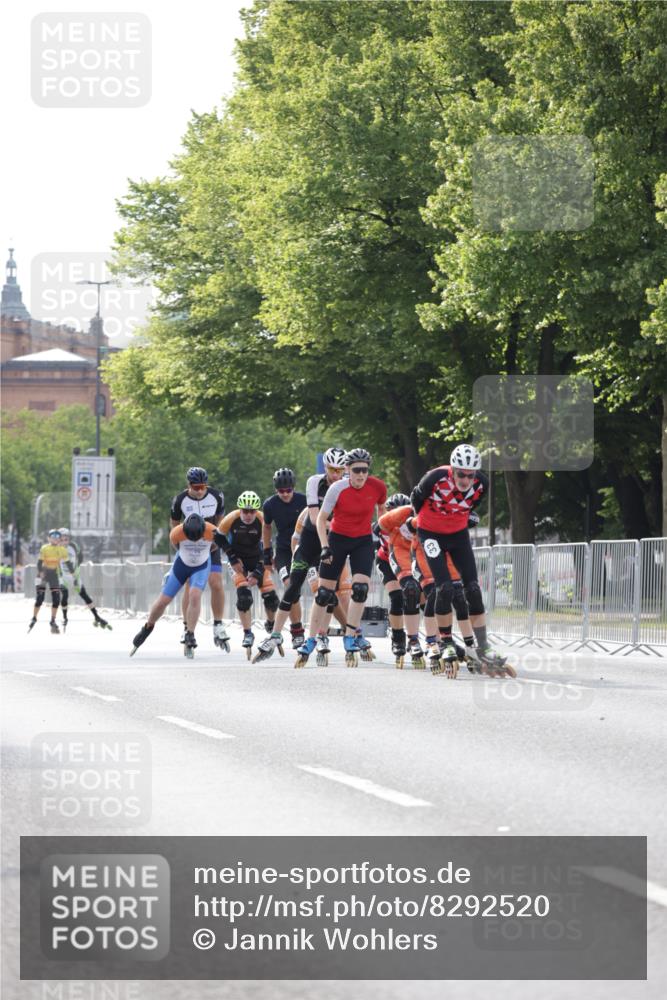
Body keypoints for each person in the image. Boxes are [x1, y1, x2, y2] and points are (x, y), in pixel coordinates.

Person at [410, 443, 510, 674]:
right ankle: (445, 641)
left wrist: (454, 516)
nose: (465, 480)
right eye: (461, 474)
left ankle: (483, 646)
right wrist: (427, 520)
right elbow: (416, 499)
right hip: (430, 533)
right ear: (452, 469)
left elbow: (470, 505)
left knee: (473, 588)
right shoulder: (435, 477)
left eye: (470, 475)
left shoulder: (482, 484)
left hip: (457, 534)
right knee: (444, 587)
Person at [253, 446, 348, 660]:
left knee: (325, 593)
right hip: (305, 543)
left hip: (332, 543)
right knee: (292, 586)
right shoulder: (314, 483)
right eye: (332, 469)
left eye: (340, 470)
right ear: (325, 467)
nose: (336, 474)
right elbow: (313, 520)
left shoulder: (349, 485)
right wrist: (267, 553)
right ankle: (278, 634)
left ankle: (339, 632)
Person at [298, 448, 387, 667]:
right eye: (356, 470)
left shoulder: (378, 487)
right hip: (337, 539)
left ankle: (351, 635)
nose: (360, 475)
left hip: (362, 541)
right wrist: (325, 546)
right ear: (348, 470)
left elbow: (381, 510)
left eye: (364, 470)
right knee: (324, 593)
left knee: (360, 589)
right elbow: (320, 519)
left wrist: (380, 531)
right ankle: (311, 639)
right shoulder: (337, 488)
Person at [131, 513, 215, 656]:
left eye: (197, 538)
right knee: (164, 600)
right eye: (190, 538)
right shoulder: (176, 533)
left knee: (194, 595)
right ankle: (148, 626)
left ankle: (190, 633)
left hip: (201, 566)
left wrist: (203, 554)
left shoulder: (213, 531)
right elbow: (177, 547)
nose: (194, 541)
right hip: (182, 564)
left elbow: (215, 546)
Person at [170, 467, 229, 651]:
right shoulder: (179, 500)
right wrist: (180, 548)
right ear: (189, 485)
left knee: (216, 582)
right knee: (191, 586)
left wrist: (217, 541)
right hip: (190, 547)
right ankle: (187, 627)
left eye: (203, 487)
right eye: (196, 487)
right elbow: (174, 526)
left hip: (210, 545)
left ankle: (218, 624)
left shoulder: (216, 496)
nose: (200, 490)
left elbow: (221, 521)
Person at [216, 491, 279, 657]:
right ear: (240, 509)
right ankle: (248, 633)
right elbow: (218, 537)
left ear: (257, 511)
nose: (249, 515)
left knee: (271, 599)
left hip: (257, 558)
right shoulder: (231, 518)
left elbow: (266, 547)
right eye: (245, 511)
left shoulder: (262, 519)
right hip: (238, 561)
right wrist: (232, 556)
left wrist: (258, 571)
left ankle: (271, 625)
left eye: (252, 511)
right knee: (244, 598)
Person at [262, 468, 307, 638]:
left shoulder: (304, 501)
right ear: (276, 490)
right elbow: (266, 528)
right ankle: (297, 629)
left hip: (303, 548)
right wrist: (266, 553)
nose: (286, 494)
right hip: (283, 552)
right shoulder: (270, 504)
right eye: (281, 491)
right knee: (290, 586)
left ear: (293, 487)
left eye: (289, 490)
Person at [57, 527, 110, 630]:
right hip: (62, 576)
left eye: (66, 539)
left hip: (74, 575)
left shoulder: (74, 546)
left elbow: (80, 559)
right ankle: (64, 617)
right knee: (65, 595)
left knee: (85, 596)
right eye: (62, 539)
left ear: (69, 539)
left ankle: (97, 617)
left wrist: (75, 575)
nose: (64, 542)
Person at [28, 529, 68, 634]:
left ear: (60, 539)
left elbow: (68, 564)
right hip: (43, 574)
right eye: (53, 537)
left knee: (56, 599)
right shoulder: (44, 548)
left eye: (57, 537)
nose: (55, 538)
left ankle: (52, 621)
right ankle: (34, 618)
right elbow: (39, 563)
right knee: (40, 599)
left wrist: (73, 574)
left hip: (54, 575)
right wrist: (40, 572)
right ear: (48, 538)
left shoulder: (62, 550)